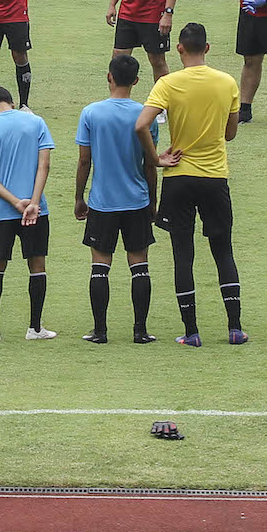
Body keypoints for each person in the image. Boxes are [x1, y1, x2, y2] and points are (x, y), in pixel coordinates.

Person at [137, 23, 244, 347]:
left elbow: (141, 124)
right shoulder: (227, 83)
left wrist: (156, 158)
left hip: (179, 176)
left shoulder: (168, 84)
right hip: (214, 176)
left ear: (180, 48)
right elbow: (230, 133)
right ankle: (235, 328)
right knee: (223, 251)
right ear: (207, 48)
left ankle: (192, 331)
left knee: (183, 254)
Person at [74, 55, 159, 344]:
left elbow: (84, 160)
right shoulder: (145, 115)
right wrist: (152, 201)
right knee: (140, 266)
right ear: (136, 80)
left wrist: (79, 197)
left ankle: (100, 331)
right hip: (136, 200)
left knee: (100, 266)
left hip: (102, 203)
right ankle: (140, 331)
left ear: (108, 76)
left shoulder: (91, 113)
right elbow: (150, 163)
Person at [0, 84, 55, 342]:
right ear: (11, 101)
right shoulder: (36, 122)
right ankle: (35, 328)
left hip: (0, 212)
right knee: (37, 265)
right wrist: (32, 201)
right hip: (36, 209)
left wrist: (15, 202)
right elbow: (44, 165)